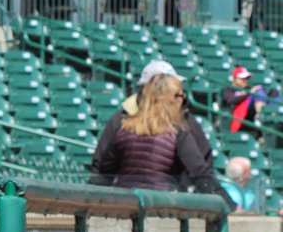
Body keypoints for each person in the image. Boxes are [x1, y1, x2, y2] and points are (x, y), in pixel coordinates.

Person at [90, 72, 218, 191]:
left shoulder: (124, 125)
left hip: (127, 202)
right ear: (169, 98)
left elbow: (104, 171)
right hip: (162, 204)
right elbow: (199, 172)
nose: (182, 100)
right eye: (180, 95)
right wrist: (226, 204)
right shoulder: (177, 130)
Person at [222, 65, 263, 134]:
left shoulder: (249, 88)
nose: (245, 80)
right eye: (242, 78)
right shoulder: (229, 89)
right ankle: (260, 116)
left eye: (247, 78)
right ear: (235, 78)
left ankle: (262, 116)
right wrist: (249, 93)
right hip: (238, 117)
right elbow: (230, 100)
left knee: (265, 91)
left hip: (250, 116)